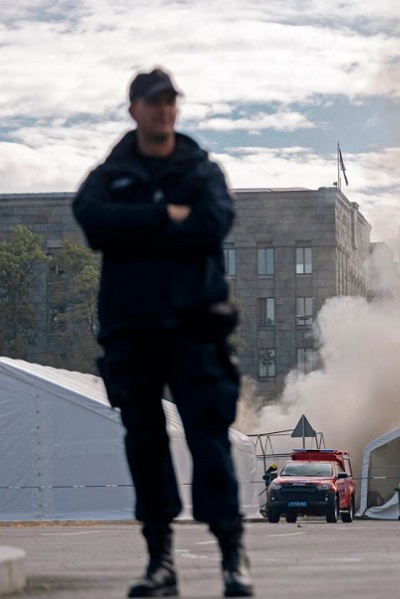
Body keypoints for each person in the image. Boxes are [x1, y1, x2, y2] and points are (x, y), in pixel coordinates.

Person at [73, 67, 253, 597]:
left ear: (177, 108)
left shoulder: (201, 171)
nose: (162, 110)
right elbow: (92, 222)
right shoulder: (111, 173)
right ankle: (161, 563)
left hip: (197, 329)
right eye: (152, 102)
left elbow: (211, 224)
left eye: (170, 101)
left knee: (210, 441)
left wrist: (135, 227)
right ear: (134, 110)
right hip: (133, 333)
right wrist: (162, 216)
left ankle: (231, 557)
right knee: (145, 446)